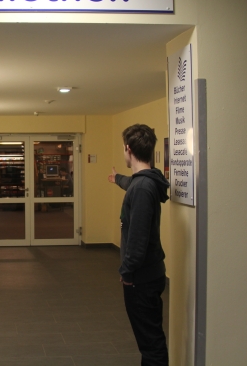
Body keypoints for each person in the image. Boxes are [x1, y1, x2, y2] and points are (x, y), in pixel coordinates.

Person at [108, 124, 170, 366]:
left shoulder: (142, 188)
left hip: (141, 278)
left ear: (128, 149)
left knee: (151, 344)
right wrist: (117, 179)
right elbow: (131, 183)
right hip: (148, 274)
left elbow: (138, 239)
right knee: (149, 340)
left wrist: (127, 272)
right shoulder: (144, 182)